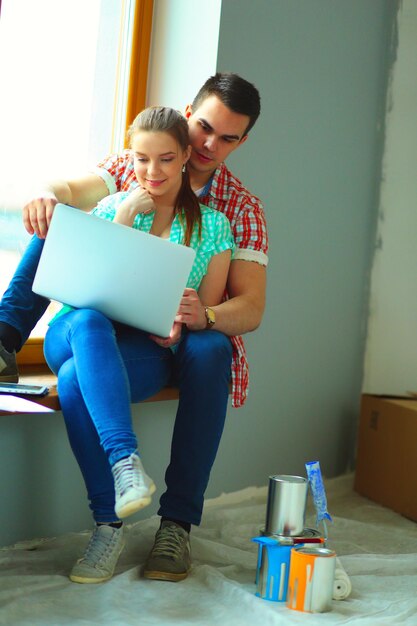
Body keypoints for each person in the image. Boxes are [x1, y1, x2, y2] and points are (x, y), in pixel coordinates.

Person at [0, 73, 268, 582]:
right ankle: (6, 336)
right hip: (88, 323)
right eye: (205, 128)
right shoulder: (136, 167)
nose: (209, 145)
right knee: (75, 278)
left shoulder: (230, 213)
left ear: (241, 141)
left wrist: (196, 318)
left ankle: (146, 524)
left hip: (157, 343)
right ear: (189, 115)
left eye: (227, 138)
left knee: (94, 374)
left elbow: (248, 307)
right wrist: (47, 196)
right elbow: (72, 209)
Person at [42, 106, 234, 583]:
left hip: (139, 350)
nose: (154, 172)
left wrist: (181, 321)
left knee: (72, 381)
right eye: (143, 160)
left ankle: (107, 525)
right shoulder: (110, 209)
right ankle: (125, 460)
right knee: (88, 320)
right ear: (131, 159)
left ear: (187, 156)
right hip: (74, 332)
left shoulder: (213, 228)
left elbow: (203, 313)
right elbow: (81, 287)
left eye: (167, 159)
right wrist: (125, 214)